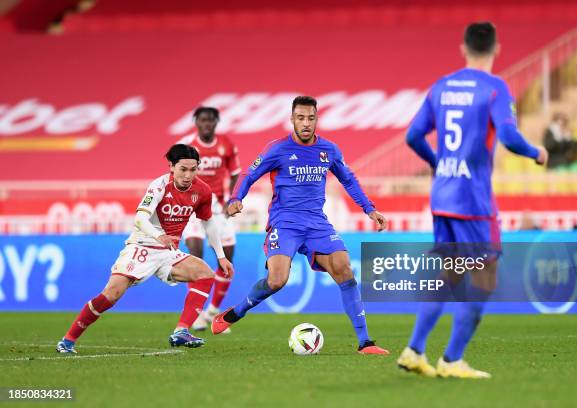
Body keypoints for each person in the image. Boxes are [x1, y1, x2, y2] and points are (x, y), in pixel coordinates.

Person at [399, 22, 547, 378]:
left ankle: (414, 350)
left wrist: (438, 163)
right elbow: (509, 137)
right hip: (473, 199)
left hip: (442, 195)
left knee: (449, 275)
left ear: (463, 48)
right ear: (496, 49)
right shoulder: (495, 88)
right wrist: (536, 152)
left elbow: (413, 135)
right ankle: (451, 360)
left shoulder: (442, 86)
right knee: (485, 276)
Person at [211, 96, 390, 355]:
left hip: (317, 222)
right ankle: (236, 312)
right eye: (301, 118)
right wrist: (236, 198)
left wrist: (370, 209)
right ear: (292, 119)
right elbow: (249, 174)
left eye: (311, 118)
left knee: (344, 270)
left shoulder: (329, 149)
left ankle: (365, 342)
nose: (306, 123)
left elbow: (348, 179)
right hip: (285, 222)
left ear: (317, 119)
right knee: (277, 280)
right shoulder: (277, 149)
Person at [56, 144, 234, 354]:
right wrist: (159, 235)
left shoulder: (202, 190)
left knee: (204, 274)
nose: (188, 175)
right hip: (142, 246)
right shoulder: (159, 186)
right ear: (171, 167)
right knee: (111, 295)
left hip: (167, 252)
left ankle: (181, 331)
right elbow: (140, 218)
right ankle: (68, 340)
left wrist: (221, 256)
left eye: (193, 169)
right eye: (183, 169)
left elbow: (208, 223)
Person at [178, 107, 241, 332]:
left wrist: (232, 198)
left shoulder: (226, 144)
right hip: (193, 209)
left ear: (216, 122)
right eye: (203, 120)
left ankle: (212, 313)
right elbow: (174, 174)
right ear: (196, 121)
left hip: (219, 211)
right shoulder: (186, 145)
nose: (207, 124)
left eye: (211, 121)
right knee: (196, 259)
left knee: (227, 262)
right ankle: (196, 314)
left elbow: (235, 173)